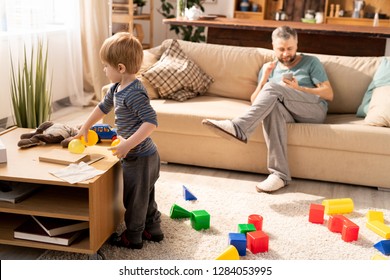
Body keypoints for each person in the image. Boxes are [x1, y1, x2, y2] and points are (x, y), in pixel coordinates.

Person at [202, 26, 334, 193]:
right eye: (281, 49)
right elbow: (256, 103)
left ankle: (239, 127)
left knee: (273, 89)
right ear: (273, 46)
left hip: (314, 110)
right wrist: (263, 79)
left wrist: (299, 89)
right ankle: (279, 175)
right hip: (289, 112)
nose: (286, 53)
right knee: (272, 109)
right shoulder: (269, 68)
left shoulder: (311, 62)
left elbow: (328, 94)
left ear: (297, 44)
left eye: (290, 48)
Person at [74, 32, 163, 249]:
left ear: (120, 68)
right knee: (145, 194)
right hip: (141, 154)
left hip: (140, 157)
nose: (104, 70)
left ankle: (133, 237)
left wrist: (127, 144)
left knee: (134, 200)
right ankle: (153, 229)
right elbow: (102, 107)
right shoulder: (116, 89)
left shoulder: (134, 93)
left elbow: (151, 122)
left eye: (106, 66)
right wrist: (85, 126)